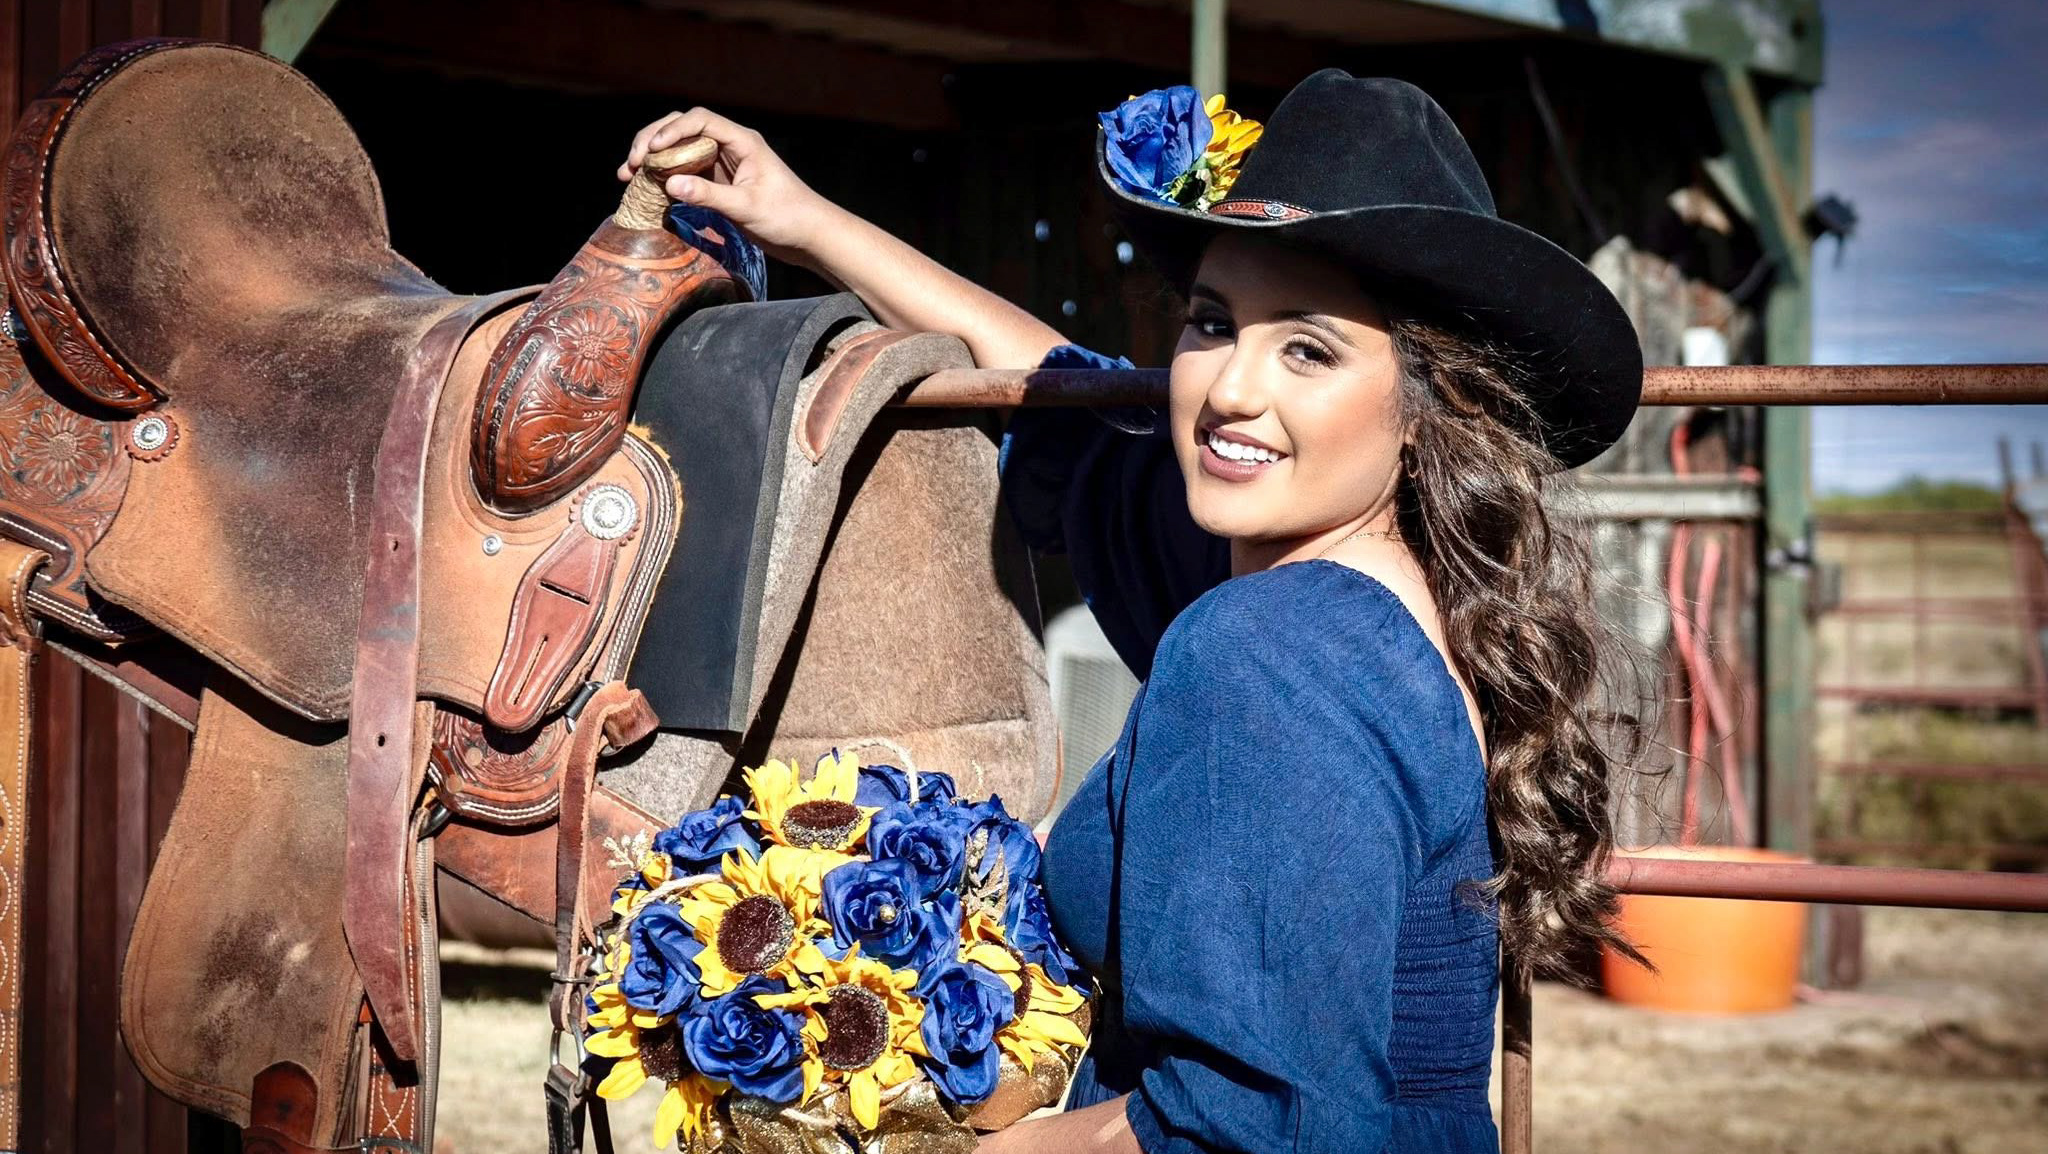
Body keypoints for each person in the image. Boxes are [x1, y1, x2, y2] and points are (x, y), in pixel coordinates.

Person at [620, 68, 1647, 1154]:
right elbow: (1055, 388)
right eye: (1212, 322)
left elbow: (1243, 1134)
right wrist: (802, 219)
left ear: (1430, 405)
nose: (1230, 389)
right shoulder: (1374, 592)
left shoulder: (1268, 649)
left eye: (1307, 348)